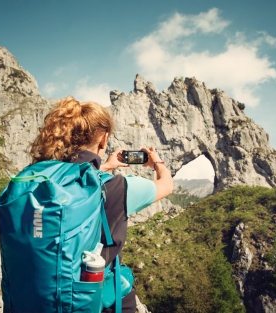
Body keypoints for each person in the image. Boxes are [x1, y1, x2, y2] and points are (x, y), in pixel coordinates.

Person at [29, 96, 173, 313]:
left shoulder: (41, 181)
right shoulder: (117, 188)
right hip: (99, 304)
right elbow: (166, 185)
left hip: (41, 300)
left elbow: (79, 176)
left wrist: (105, 166)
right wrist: (157, 162)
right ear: (103, 140)